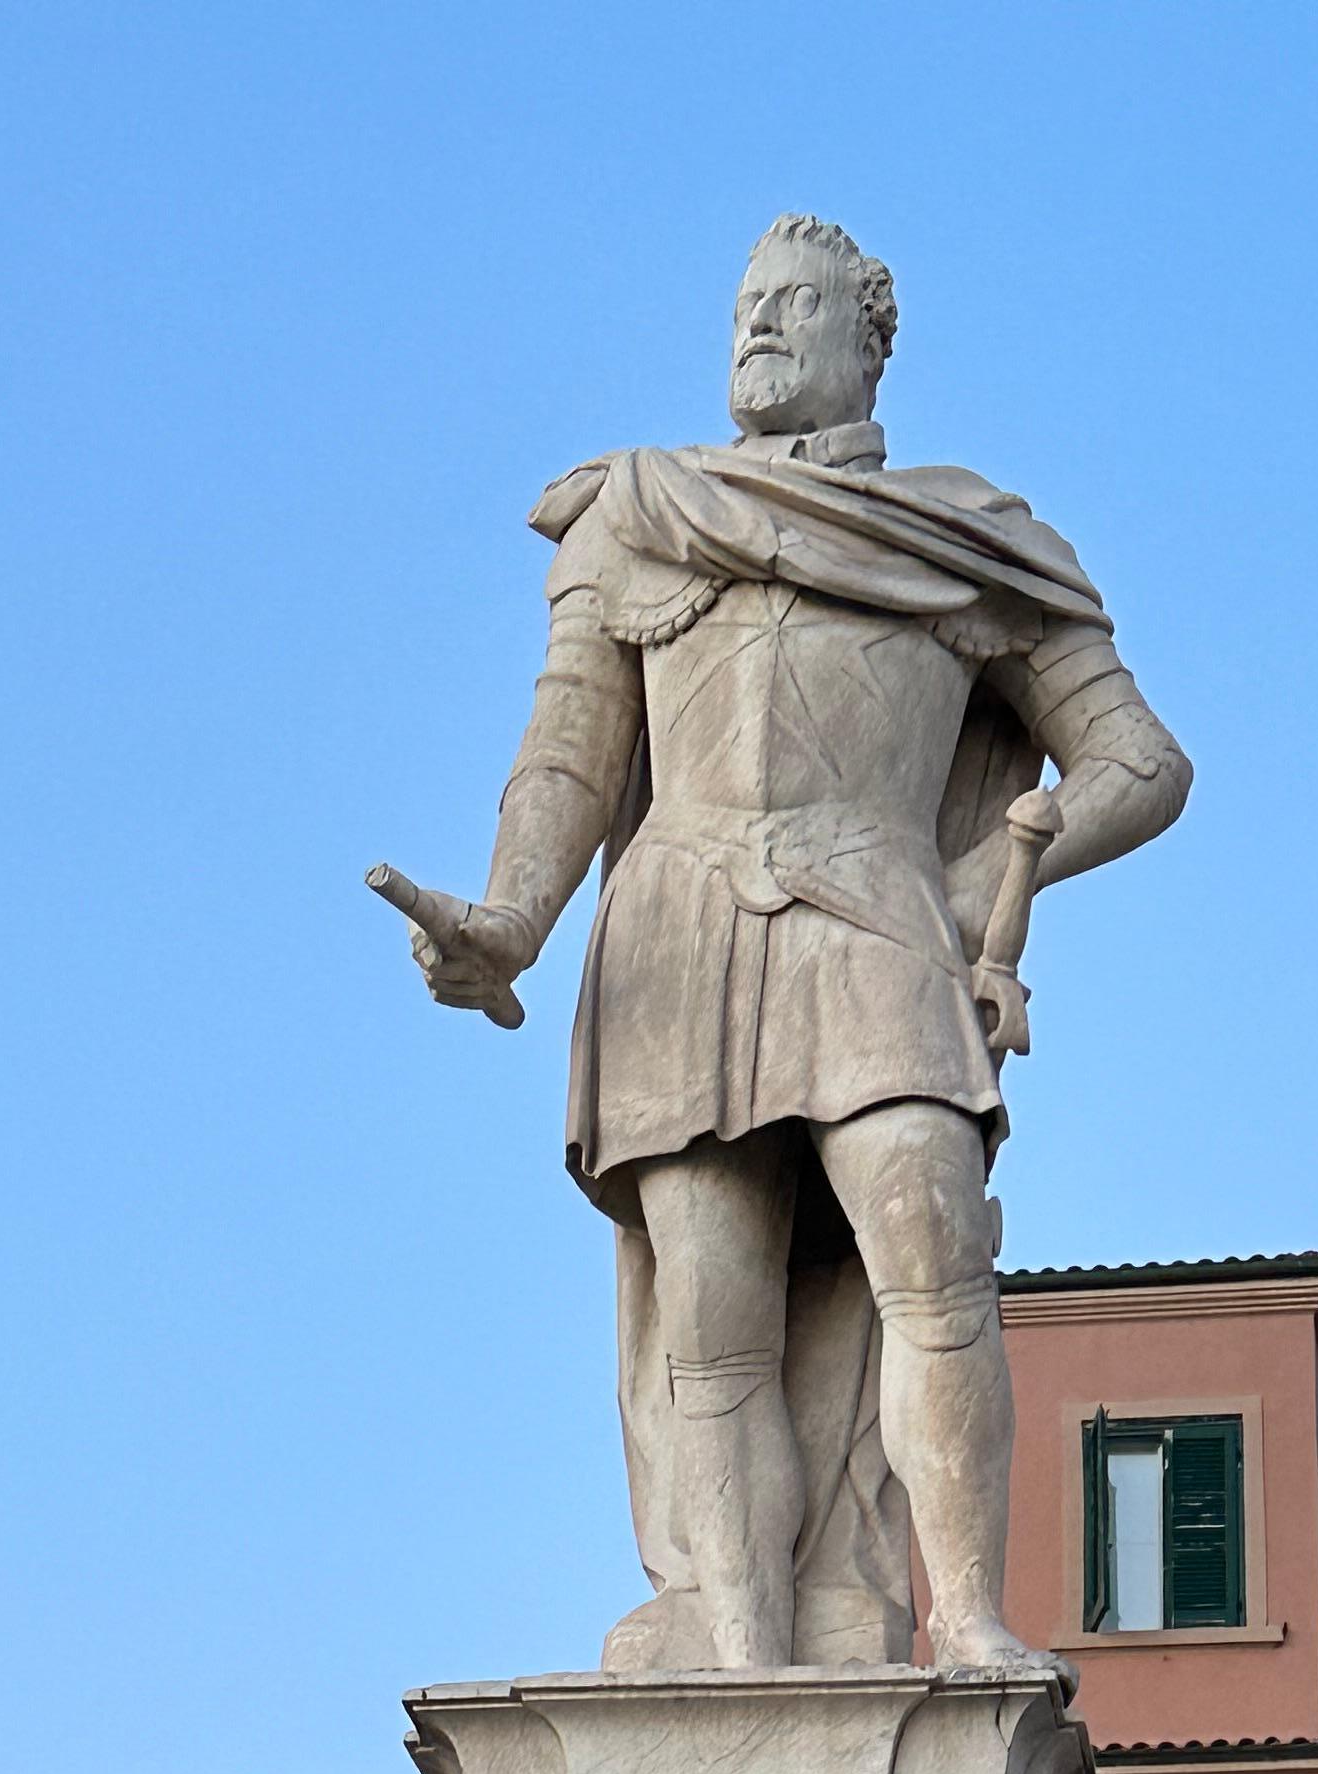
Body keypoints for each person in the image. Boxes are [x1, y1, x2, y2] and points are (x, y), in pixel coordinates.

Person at [385, 214, 1188, 1675]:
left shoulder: (973, 539)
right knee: (713, 1318)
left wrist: (974, 887)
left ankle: (969, 1623)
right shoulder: (636, 512)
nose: (758, 326)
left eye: (795, 305)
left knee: (933, 1255)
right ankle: (741, 1664)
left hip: (877, 911)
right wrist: (507, 921)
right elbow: (567, 754)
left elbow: (1140, 762)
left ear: (869, 340)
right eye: (746, 304)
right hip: (679, 930)